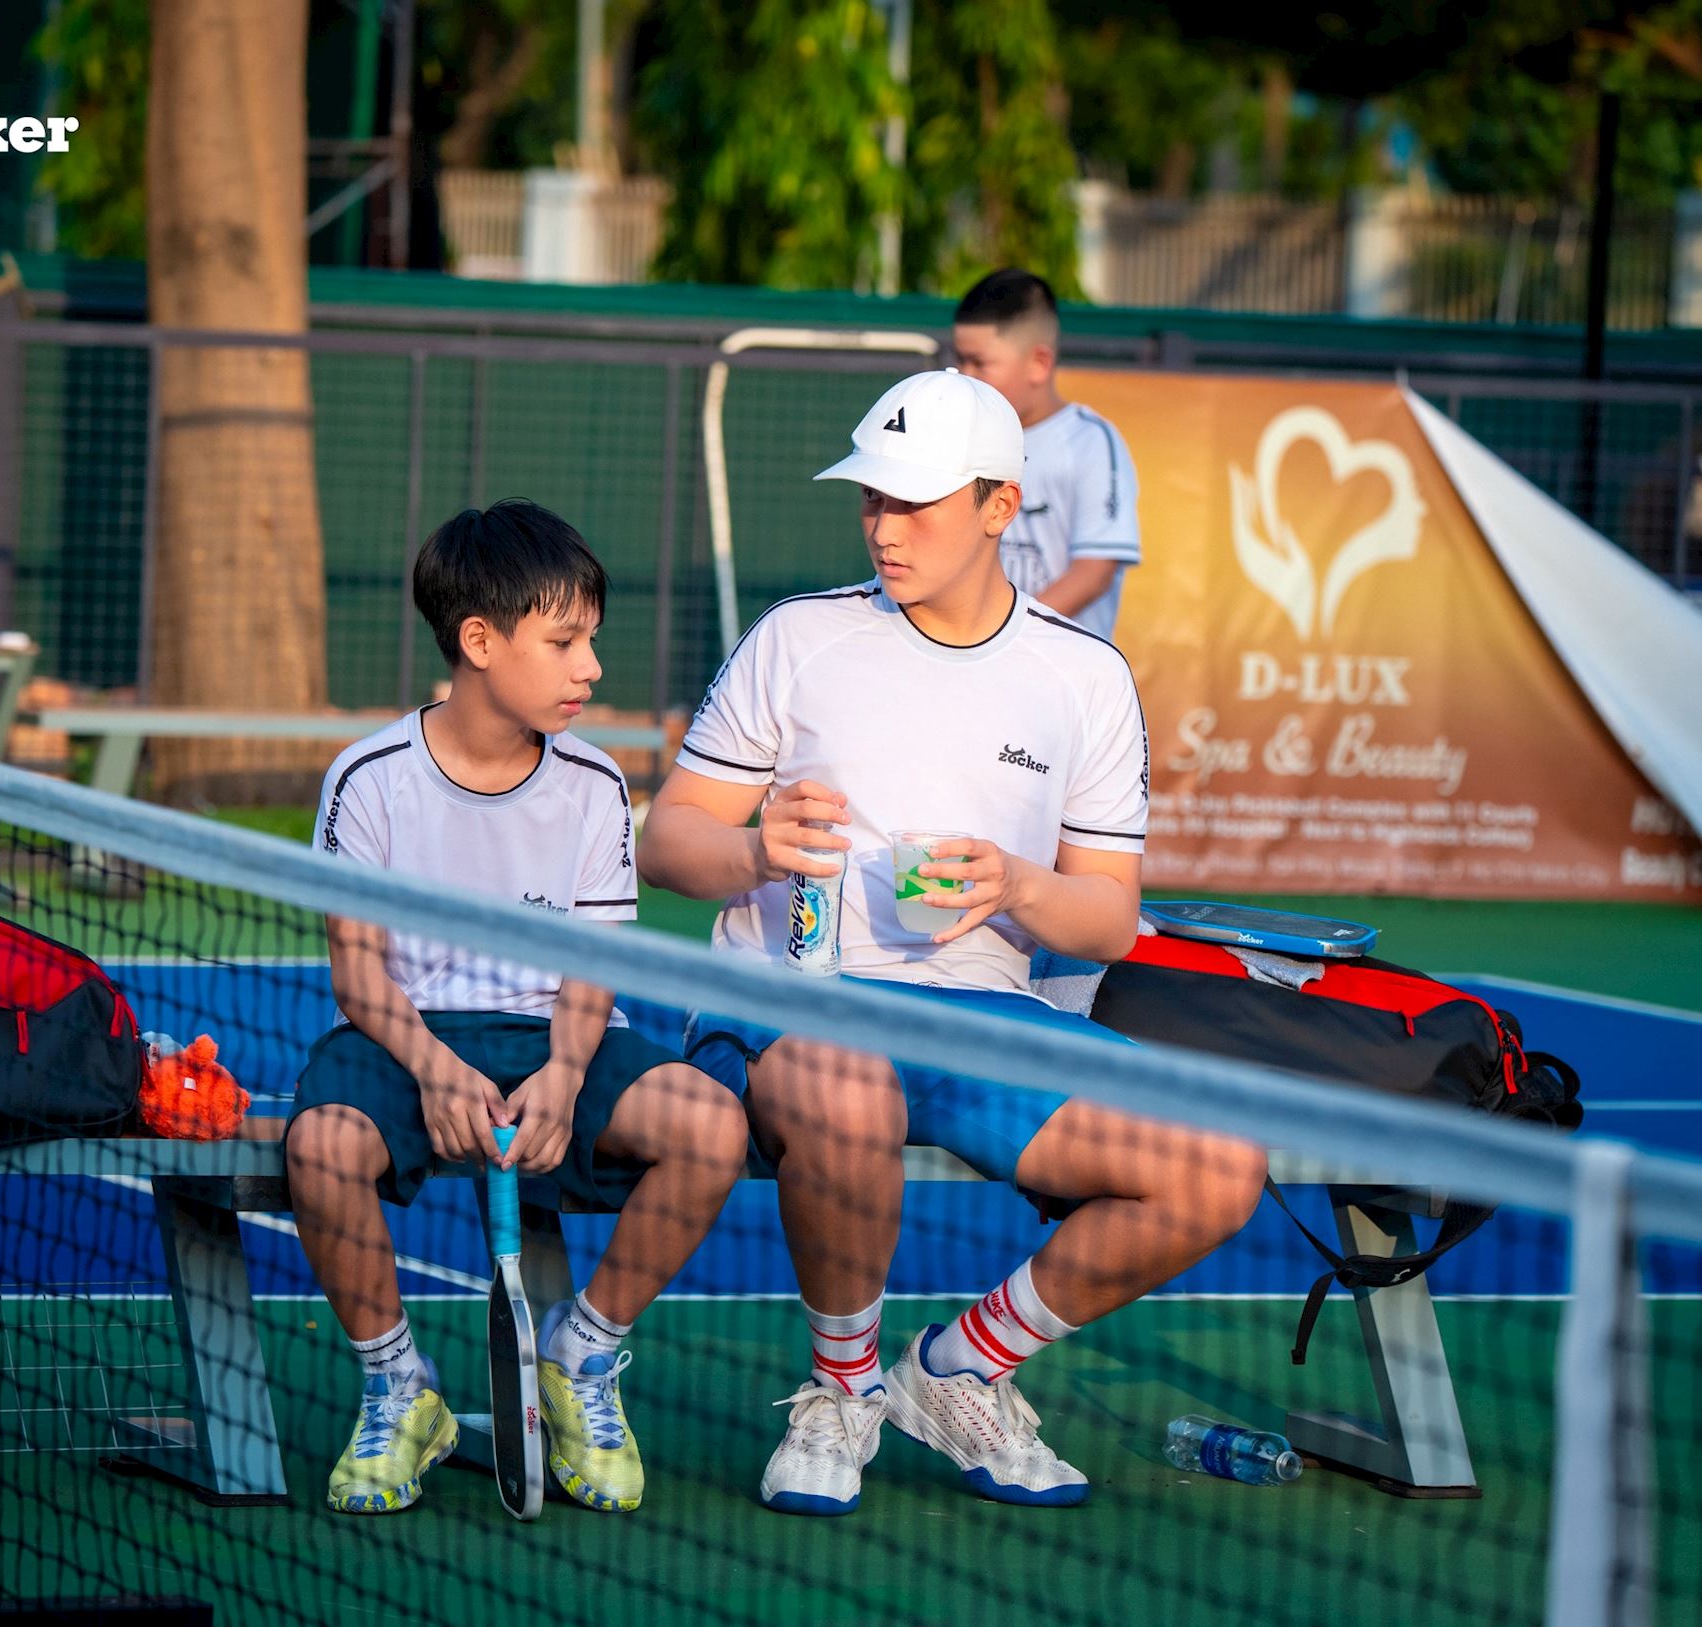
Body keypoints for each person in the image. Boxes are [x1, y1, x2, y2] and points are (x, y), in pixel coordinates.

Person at [638, 370, 1265, 1516]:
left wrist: (1021, 884)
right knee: (848, 1088)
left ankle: (964, 1365)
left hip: (987, 1016)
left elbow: (1109, 917)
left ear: (997, 505)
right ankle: (841, 1388)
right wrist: (755, 852)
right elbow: (667, 839)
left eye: (913, 503)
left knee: (1219, 1167)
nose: (882, 525)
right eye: (871, 499)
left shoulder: (1083, 674)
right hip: (797, 1005)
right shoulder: (798, 636)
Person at [287, 499, 749, 1517]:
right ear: (479, 642)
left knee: (711, 1123)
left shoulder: (591, 780)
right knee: (319, 1148)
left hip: (562, 1040)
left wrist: (569, 1071)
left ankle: (581, 1354)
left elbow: (591, 969)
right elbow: (359, 973)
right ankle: (397, 1385)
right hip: (406, 1033)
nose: (590, 666)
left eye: (591, 639)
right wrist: (434, 1068)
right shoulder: (366, 778)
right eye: (565, 641)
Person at [952, 267, 1141, 643]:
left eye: (980, 363)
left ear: (1038, 363)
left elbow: (1094, 572)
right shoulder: (958, 436)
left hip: (1057, 668)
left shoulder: (1090, 441)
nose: (963, 375)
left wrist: (1006, 636)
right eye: (959, 359)